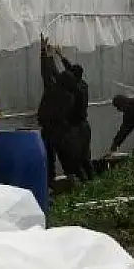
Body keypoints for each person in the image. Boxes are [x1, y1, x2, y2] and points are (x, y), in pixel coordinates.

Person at [37, 36, 83, 184]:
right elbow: (57, 74)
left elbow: (47, 73)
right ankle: (75, 180)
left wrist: (45, 53)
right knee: (66, 158)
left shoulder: (54, 91)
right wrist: (54, 55)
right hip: (63, 131)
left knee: (50, 158)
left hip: (51, 130)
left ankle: (51, 183)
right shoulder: (73, 92)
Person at [58, 50, 95, 181]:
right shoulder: (83, 85)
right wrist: (61, 56)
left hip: (76, 128)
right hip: (85, 126)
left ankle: (85, 183)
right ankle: (92, 182)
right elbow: (73, 70)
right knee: (85, 157)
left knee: (76, 158)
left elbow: (64, 77)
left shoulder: (74, 89)